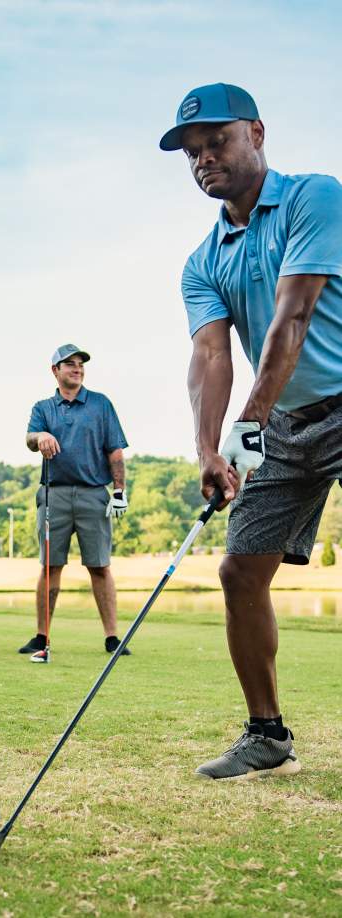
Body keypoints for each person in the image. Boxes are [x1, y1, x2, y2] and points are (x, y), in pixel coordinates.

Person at [160, 82, 342, 779]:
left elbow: (289, 318)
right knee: (239, 571)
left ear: (256, 133)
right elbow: (208, 355)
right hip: (288, 426)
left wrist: (248, 422)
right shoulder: (202, 262)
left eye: (217, 142)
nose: (204, 159)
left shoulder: (312, 198)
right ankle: (266, 737)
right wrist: (210, 451)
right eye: (192, 153)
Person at [18, 344, 131, 657]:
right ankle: (42, 636)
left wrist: (119, 491)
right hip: (53, 493)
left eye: (80, 364)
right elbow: (29, 439)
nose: (77, 368)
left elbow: (115, 451)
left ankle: (112, 637)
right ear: (55, 370)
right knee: (50, 566)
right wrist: (40, 436)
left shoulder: (100, 404)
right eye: (69, 364)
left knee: (99, 566)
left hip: (94, 493)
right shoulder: (43, 407)